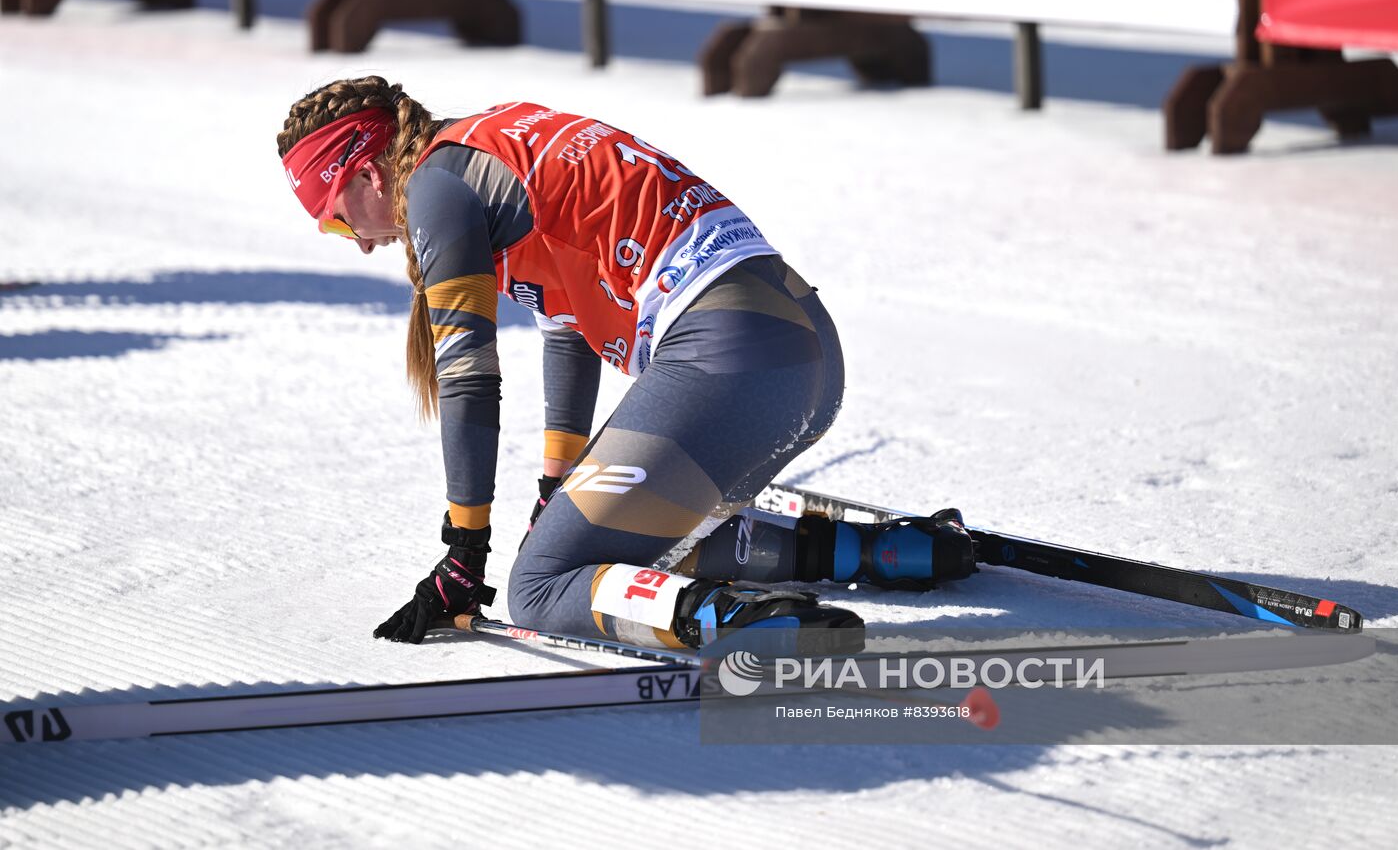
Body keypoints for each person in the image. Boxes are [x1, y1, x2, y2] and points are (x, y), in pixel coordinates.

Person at [276, 76, 974, 656]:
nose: (359, 244)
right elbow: (568, 330)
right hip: (797, 349)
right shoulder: (491, 139)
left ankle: (734, 624)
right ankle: (883, 553)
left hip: (732, 356)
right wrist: (558, 486)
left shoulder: (435, 188)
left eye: (338, 220)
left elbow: (466, 378)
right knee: (613, 542)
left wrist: (465, 547)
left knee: (541, 586)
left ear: (367, 172)